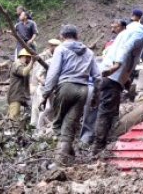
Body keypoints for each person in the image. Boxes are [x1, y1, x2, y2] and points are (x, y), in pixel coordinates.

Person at [94, 14, 143, 153]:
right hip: (112, 77)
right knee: (106, 112)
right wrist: (117, 65)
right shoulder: (140, 32)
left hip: (112, 76)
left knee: (110, 110)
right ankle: (98, 147)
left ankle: (106, 141)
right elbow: (126, 48)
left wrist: (126, 76)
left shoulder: (128, 30)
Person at [41, 25, 100, 165]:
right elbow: (97, 77)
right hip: (83, 90)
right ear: (77, 36)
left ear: (62, 36)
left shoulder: (60, 49)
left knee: (57, 124)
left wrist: (45, 94)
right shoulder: (89, 52)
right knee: (69, 124)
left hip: (66, 87)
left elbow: (53, 73)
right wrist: (96, 95)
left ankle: (60, 159)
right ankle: (67, 155)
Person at [30, 38, 60, 126]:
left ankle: (46, 128)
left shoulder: (58, 56)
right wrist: (34, 84)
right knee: (38, 107)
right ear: (50, 46)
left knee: (50, 109)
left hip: (52, 88)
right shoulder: (43, 57)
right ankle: (35, 127)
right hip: (42, 86)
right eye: (54, 46)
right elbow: (36, 72)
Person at [7, 49, 35, 120]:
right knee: (13, 118)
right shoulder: (17, 64)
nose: (30, 60)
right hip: (16, 95)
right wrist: (32, 62)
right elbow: (24, 72)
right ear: (25, 57)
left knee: (31, 112)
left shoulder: (24, 65)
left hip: (23, 96)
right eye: (29, 58)